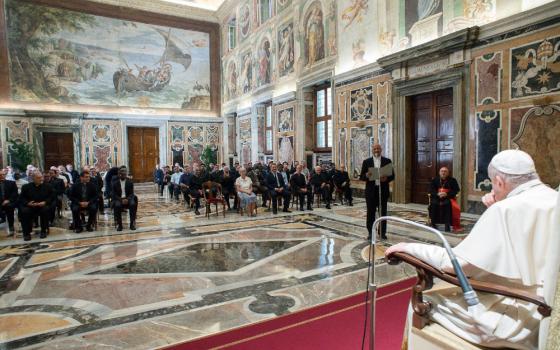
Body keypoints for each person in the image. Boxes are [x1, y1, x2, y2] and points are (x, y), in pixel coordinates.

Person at [386, 150, 559, 349]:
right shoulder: (553, 198)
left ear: (499, 181)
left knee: (421, 302)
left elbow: (458, 265)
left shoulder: (505, 210)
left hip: (517, 318)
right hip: (550, 310)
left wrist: (408, 247)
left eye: (494, 184)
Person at [360, 144, 394, 240]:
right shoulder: (367, 162)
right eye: (375, 149)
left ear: (381, 150)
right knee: (370, 213)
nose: (376, 150)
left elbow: (392, 176)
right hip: (371, 191)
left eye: (378, 148)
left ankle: (382, 232)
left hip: (383, 190)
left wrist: (386, 178)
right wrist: (366, 175)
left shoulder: (387, 161)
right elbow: (361, 177)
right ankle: (371, 232)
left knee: (383, 212)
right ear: (372, 150)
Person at [19, 171, 53, 240]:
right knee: (24, 212)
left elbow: (52, 197)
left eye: (41, 177)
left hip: (42, 206)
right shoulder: (26, 187)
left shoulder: (48, 186)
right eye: (38, 178)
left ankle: (43, 231)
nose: (41, 179)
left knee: (45, 210)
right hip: (30, 206)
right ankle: (26, 233)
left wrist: (45, 202)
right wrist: (28, 203)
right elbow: (21, 198)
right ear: (33, 178)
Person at [429, 166, 460, 232]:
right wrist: (437, 194)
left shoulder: (452, 180)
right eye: (442, 171)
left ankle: (447, 224)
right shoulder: (435, 180)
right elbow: (431, 189)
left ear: (448, 173)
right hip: (437, 197)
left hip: (448, 197)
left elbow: (456, 190)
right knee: (433, 204)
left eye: (445, 171)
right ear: (439, 172)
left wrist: (446, 194)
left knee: (448, 204)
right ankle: (433, 223)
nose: (443, 173)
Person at [0, 169, 18, 236]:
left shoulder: (11, 183)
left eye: (3, 175)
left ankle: (11, 226)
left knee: (9, 206)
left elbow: (15, 194)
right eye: (0, 175)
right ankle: (2, 218)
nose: (2, 176)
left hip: (9, 201)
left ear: (5, 175)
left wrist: (8, 200)